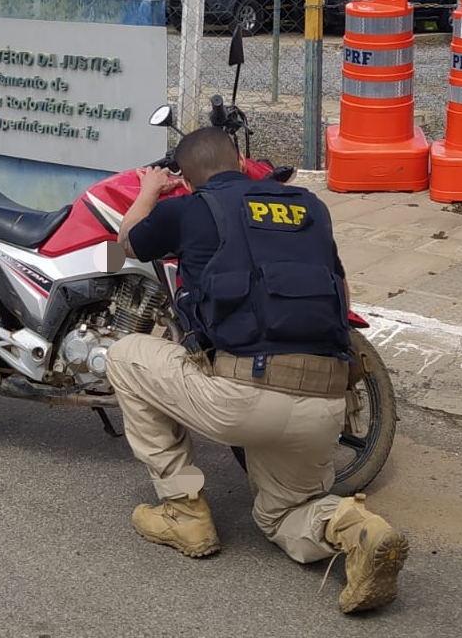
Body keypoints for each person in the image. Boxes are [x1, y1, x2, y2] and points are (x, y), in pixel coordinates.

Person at [105, 127, 408, 614]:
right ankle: (361, 531)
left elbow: (127, 243)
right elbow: (341, 295)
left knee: (125, 357)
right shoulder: (310, 206)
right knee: (284, 515)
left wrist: (148, 191)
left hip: (244, 395)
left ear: (186, 178)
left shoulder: (187, 208)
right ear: (243, 161)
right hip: (326, 401)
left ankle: (185, 511)